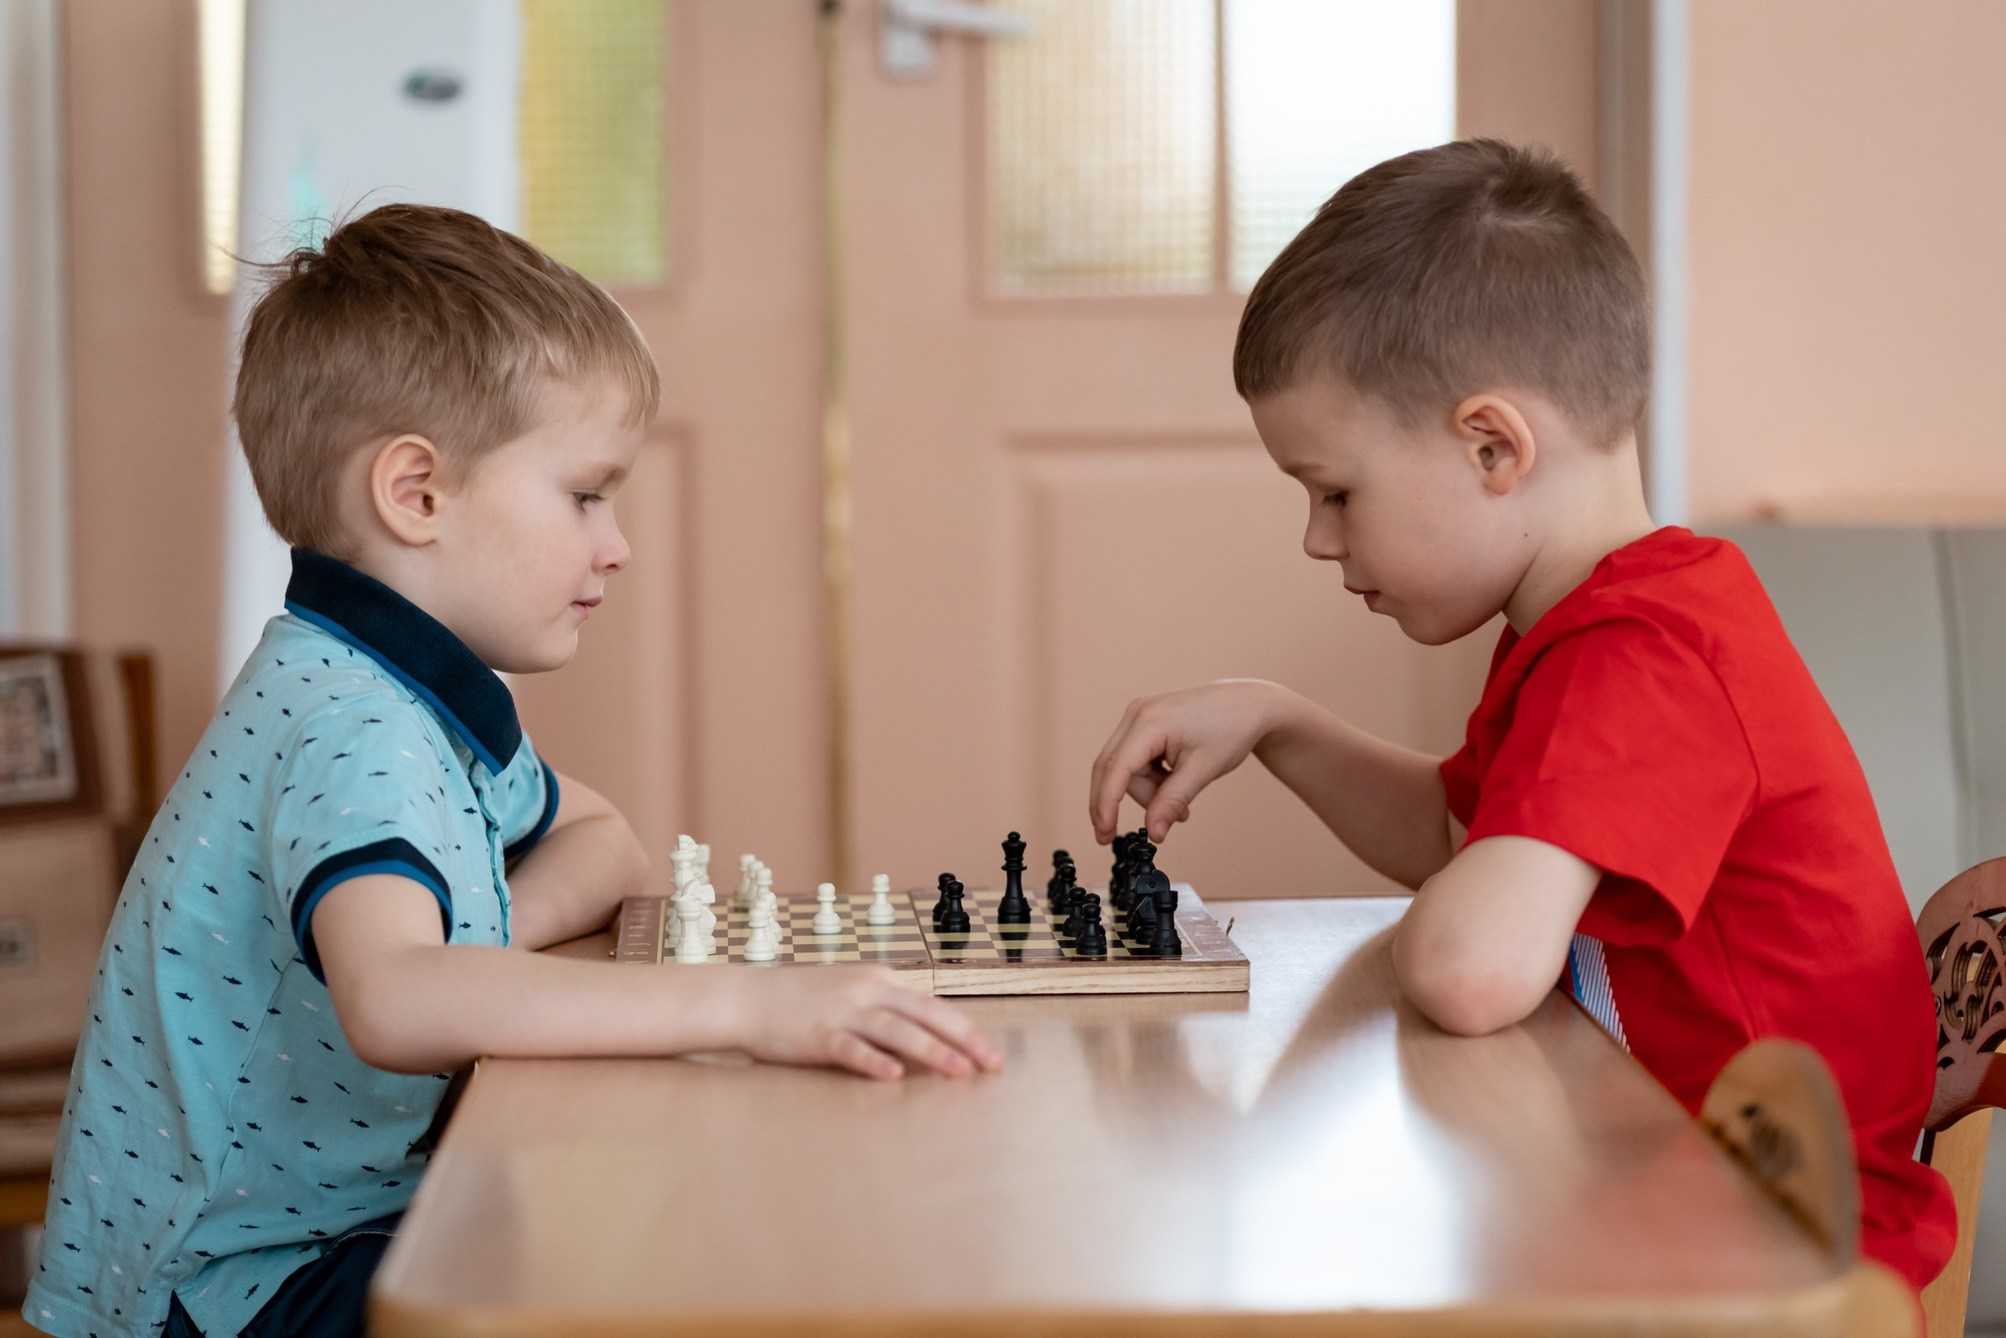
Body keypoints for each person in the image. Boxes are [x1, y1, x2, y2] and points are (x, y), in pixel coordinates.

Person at [27, 204, 1000, 1338]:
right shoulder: (353, 724)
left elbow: (603, 843)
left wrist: (469, 946)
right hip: (234, 1287)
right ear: (418, 494)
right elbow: (394, 998)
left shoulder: (403, 688)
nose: (616, 542)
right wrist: (746, 1002)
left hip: (301, 1236)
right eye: (585, 493)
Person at [1087, 140, 1953, 1293]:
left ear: (1492, 446)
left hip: (1785, 1264)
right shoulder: (1589, 626)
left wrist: (1461, 923)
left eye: (1335, 492)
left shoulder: (1648, 658)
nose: (1317, 539)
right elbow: (1468, 843)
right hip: (1676, 1207)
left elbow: (1468, 968)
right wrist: (1277, 722)